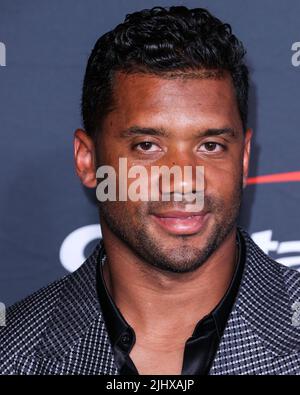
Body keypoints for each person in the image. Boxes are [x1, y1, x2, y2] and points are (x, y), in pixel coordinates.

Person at [1, 6, 299, 375]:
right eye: (147, 146)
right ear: (88, 161)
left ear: (243, 159)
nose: (184, 181)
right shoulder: (12, 353)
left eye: (210, 146)